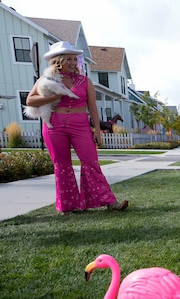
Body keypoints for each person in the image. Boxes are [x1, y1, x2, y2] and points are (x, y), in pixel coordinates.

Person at [25, 41, 128, 214]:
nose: (74, 62)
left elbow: (93, 107)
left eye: (75, 59)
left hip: (80, 124)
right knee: (62, 165)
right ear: (58, 61)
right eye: (69, 59)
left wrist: (97, 129)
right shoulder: (47, 80)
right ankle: (69, 206)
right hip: (54, 125)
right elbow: (30, 101)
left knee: (91, 162)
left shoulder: (84, 81)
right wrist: (55, 96)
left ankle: (109, 202)